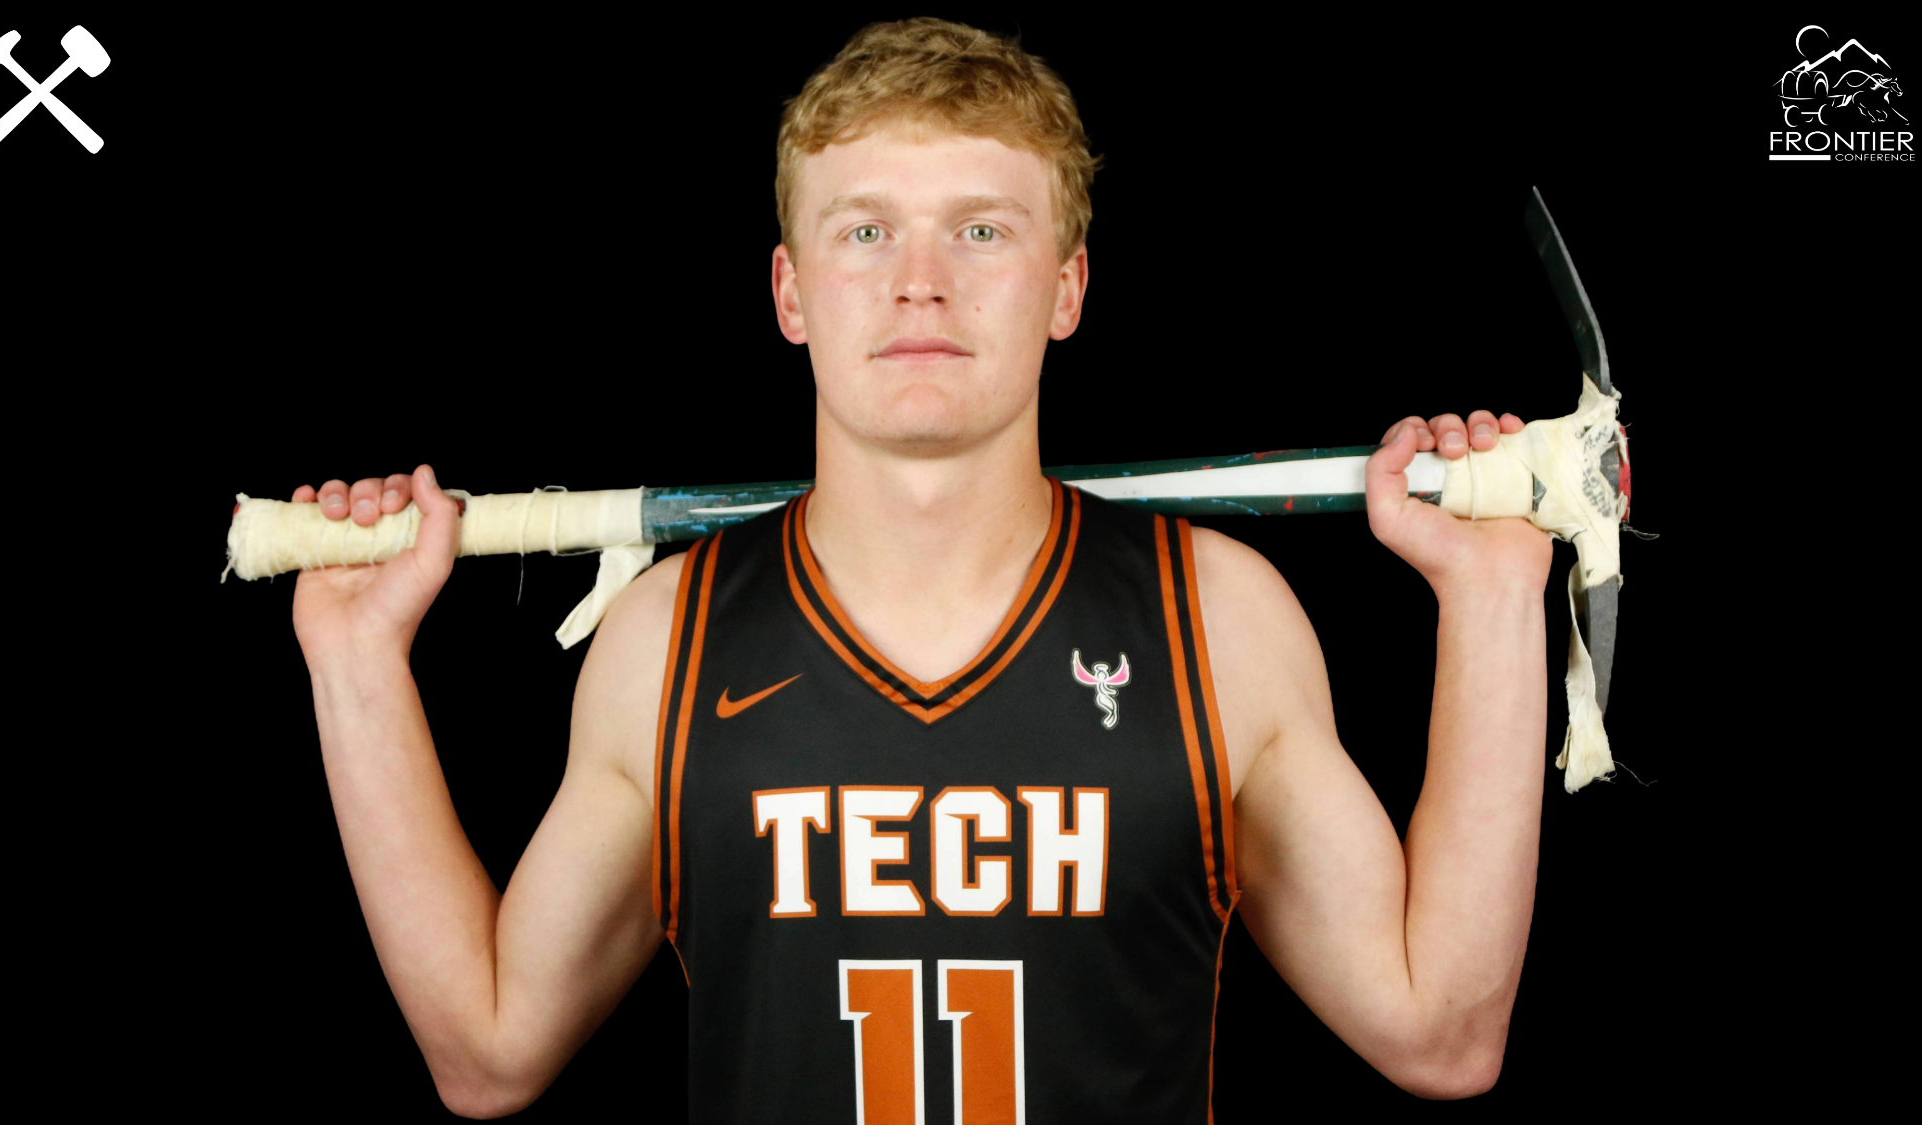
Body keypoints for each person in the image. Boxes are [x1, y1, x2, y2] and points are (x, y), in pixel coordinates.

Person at [287, 18, 1551, 1121]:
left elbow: (1436, 1034)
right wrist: (353, 658)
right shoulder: (665, 641)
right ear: (790, 292)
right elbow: (488, 1051)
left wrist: (1490, 600)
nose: (919, 285)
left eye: (982, 230)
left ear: (1066, 288)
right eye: (865, 230)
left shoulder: (1213, 619)